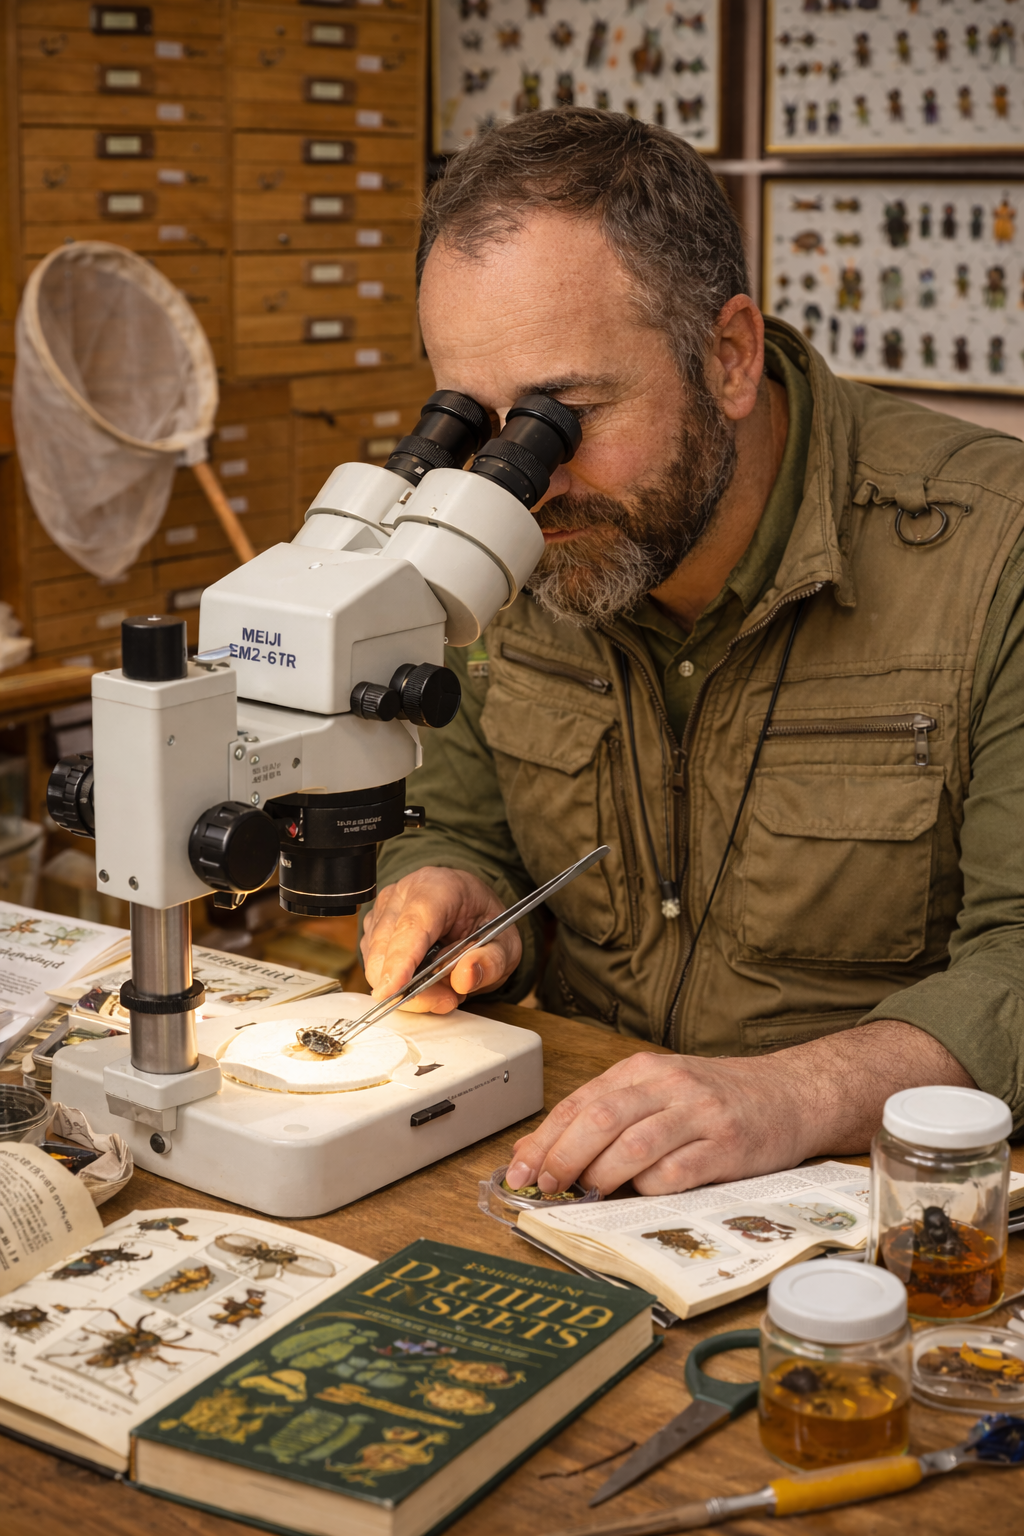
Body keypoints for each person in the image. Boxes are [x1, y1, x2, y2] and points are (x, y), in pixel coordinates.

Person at [361, 110, 1024, 1199]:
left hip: (875, 1191)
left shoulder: (994, 552)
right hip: (574, 1158)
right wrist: (450, 891)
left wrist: (796, 1096)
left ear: (729, 357)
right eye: (480, 424)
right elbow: (459, 824)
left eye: (564, 415)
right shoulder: (507, 547)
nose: (525, 482)